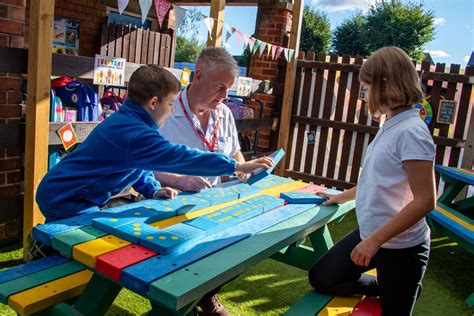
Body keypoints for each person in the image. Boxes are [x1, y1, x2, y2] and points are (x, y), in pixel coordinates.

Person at [36, 64, 273, 223]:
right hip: (65, 198)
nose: (171, 111)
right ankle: (43, 251)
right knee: (92, 248)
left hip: (77, 196)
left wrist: (151, 189)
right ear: (153, 103)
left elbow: (138, 165)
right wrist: (237, 166)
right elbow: (180, 156)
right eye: (170, 104)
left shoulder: (133, 124)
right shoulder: (132, 132)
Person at [308, 47, 436, 316]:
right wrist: (341, 197)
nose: (363, 93)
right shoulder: (391, 123)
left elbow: (426, 201)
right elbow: (377, 179)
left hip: (402, 248)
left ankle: (402, 286)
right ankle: (393, 286)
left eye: (366, 86)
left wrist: (373, 241)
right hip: (373, 235)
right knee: (322, 277)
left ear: (385, 84)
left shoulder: (412, 132)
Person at [155, 47, 248, 192]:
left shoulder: (225, 113)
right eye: (220, 87)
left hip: (212, 203)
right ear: (198, 76)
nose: (225, 95)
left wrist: (243, 168)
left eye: (228, 88)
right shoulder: (163, 112)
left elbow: (235, 152)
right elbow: (142, 165)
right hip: (168, 204)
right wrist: (178, 181)